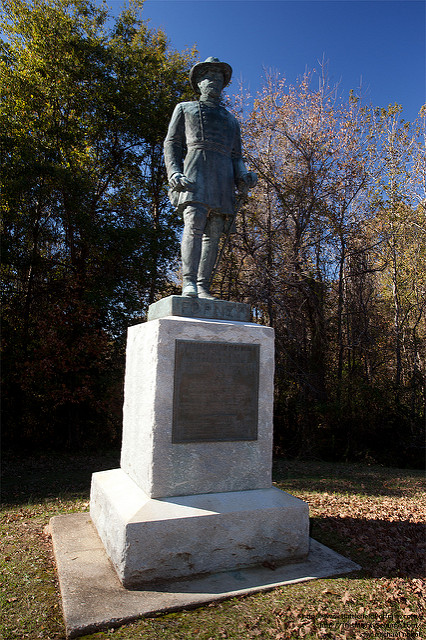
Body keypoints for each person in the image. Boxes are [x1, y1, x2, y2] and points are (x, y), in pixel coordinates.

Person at [164, 57, 257, 299]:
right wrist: (174, 171)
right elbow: (172, 143)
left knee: (214, 232)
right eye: (209, 77)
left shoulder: (231, 120)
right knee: (193, 224)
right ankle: (188, 283)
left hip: (223, 175)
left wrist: (243, 175)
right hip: (195, 169)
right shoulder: (184, 108)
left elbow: (237, 155)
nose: (214, 81)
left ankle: (203, 285)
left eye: (219, 78)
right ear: (198, 83)